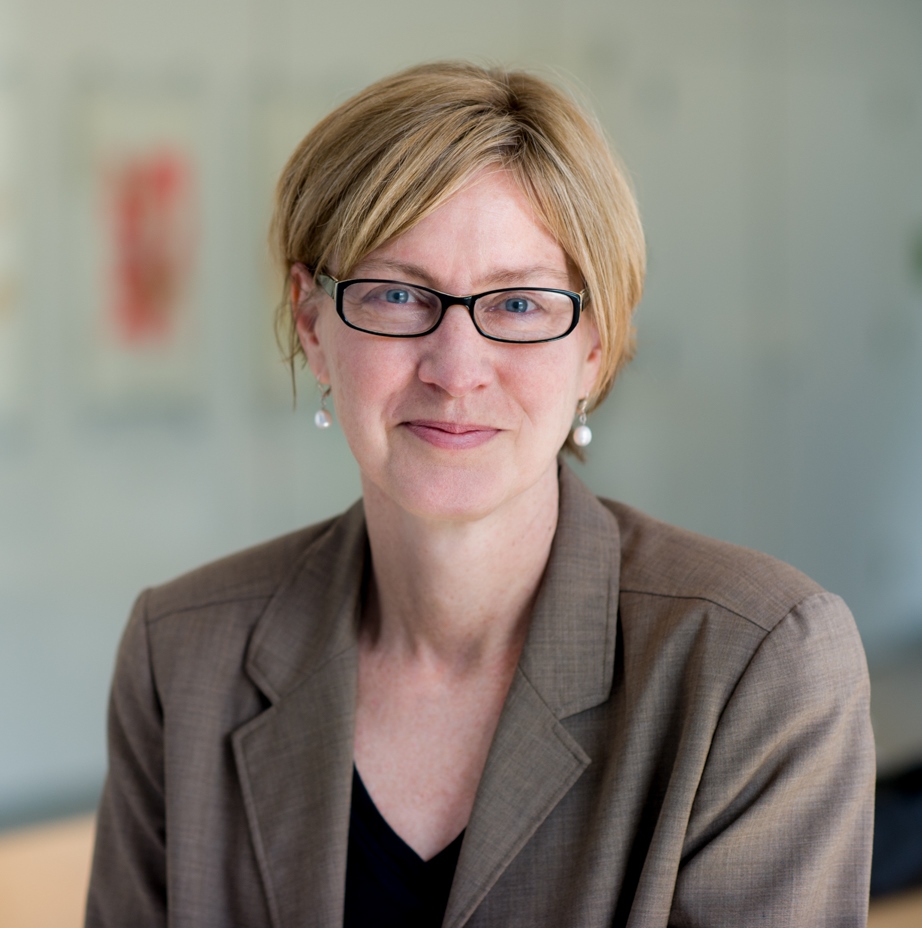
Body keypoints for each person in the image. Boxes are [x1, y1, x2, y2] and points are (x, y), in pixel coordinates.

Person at [85, 62, 874, 928]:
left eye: (521, 305)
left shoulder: (756, 668)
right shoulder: (185, 655)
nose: (456, 370)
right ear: (314, 326)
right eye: (396, 293)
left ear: (595, 348)